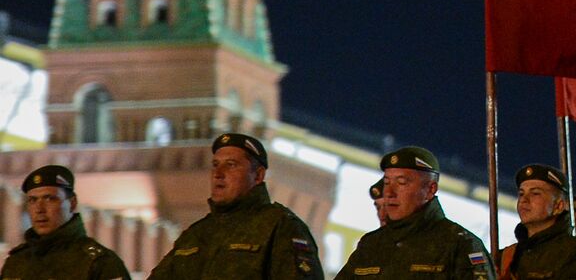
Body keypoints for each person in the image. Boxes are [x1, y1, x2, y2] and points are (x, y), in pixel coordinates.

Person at [149, 132, 322, 279]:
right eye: (215, 165)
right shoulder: (195, 235)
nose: (218, 174)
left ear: (258, 175)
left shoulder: (280, 228)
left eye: (231, 165)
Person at [335, 145, 495, 280]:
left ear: (430, 190)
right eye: (387, 182)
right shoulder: (371, 245)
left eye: (401, 183)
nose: (389, 192)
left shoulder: (459, 245)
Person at [0, 165, 131, 279]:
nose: (39, 209)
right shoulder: (16, 261)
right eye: (33, 200)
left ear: (72, 204)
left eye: (50, 199)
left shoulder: (98, 262)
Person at [496, 163, 576, 279]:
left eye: (535, 193)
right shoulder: (506, 258)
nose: (524, 200)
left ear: (558, 206)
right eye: (521, 193)